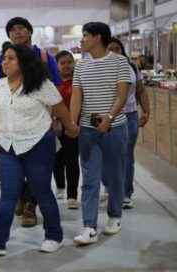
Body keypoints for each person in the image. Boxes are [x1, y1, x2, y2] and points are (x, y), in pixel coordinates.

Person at [0, 44, 78, 255]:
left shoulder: (41, 85)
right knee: (8, 194)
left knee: (41, 192)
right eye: (4, 59)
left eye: (11, 58)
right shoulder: (1, 85)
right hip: (8, 146)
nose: (5, 62)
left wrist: (72, 129)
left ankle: (53, 235)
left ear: (23, 62)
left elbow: (60, 108)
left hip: (38, 144)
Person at [0, 17, 61, 228]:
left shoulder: (45, 57)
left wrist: (57, 120)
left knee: (38, 172)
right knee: (10, 167)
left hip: (40, 124)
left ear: (30, 32)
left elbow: (55, 91)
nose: (16, 32)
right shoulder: (3, 59)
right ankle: (19, 197)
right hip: (10, 126)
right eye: (12, 29)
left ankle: (31, 205)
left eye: (21, 28)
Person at [70, 22, 131, 245]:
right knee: (89, 178)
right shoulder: (81, 66)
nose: (82, 39)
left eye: (85, 35)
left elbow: (121, 94)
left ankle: (115, 216)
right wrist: (72, 122)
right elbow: (77, 96)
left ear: (97, 38)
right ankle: (89, 226)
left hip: (114, 128)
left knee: (115, 175)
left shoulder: (119, 61)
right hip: (88, 130)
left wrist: (110, 118)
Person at [104, 37, 150, 209]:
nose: (115, 51)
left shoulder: (131, 67)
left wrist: (146, 111)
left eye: (117, 48)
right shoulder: (98, 67)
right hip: (106, 117)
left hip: (129, 116)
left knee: (126, 155)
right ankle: (108, 182)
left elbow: (141, 91)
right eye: (110, 48)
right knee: (105, 154)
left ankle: (125, 193)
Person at [52, 50, 80, 209]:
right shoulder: (52, 83)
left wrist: (76, 124)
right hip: (55, 125)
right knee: (57, 159)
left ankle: (72, 195)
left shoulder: (78, 81)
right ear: (56, 65)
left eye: (69, 62)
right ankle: (60, 186)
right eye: (62, 63)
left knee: (72, 160)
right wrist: (54, 121)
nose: (66, 66)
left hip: (73, 126)